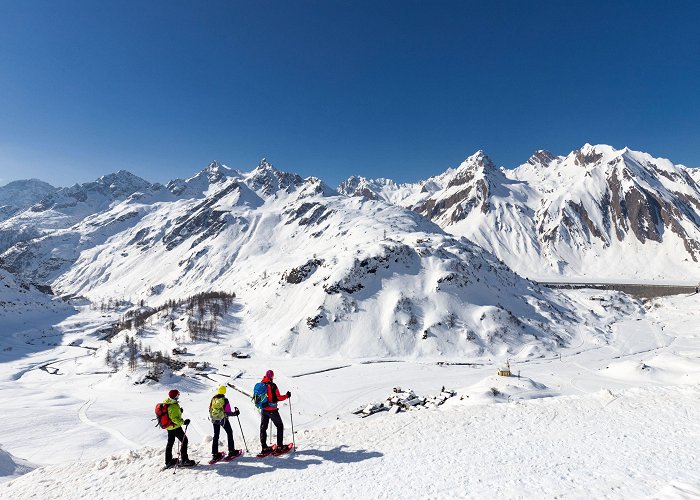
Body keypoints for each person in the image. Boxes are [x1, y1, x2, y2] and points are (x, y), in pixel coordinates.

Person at [258, 370, 291, 455]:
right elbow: (279, 397)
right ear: (272, 376)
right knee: (280, 426)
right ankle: (280, 446)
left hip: (264, 410)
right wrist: (287, 396)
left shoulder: (261, 384)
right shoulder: (272, 385)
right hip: (272, 410)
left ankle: (264, 447)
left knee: (263, 428)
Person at [163, 389, 195, 467]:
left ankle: (168, 461)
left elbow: (171, 415)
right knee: (184, 440)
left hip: (169, 427)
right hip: (175, 427)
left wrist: (179, 411)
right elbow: (174, 419)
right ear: (175, 396)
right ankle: (184, 460)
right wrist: (183, 422)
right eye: (178, 395)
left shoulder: (167, 402)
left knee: (170, 443)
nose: (179, 396)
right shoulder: (173, 406)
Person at [209, 385, 240, 461]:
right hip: (223, 420)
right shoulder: (224, 400)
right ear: (224, 392)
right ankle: (231, 451)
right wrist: (235, 413)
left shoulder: (213, 399)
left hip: (214, 420)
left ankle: (215, 453)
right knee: (229, 432)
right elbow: (228, 412)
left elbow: (210, 409)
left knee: (216, 435)